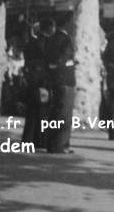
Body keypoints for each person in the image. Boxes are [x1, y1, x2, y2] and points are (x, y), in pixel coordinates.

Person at [43, 18, 75, 154]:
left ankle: (51, 143)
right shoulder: (66, 39)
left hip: (54, 79)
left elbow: (47, 59)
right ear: (67, 24)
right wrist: (66, 64)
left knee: (55, 112)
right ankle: (61, 144)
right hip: (66, 79)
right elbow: (65, 57)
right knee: (65, 114)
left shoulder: (50, 39)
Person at [22, 21, 48, 148]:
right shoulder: (43, 44)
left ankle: (28, 139)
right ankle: (40, 140)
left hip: (31, 79)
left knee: (32, 111)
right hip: (41, 79)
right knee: (41, 111)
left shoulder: (29, 44)